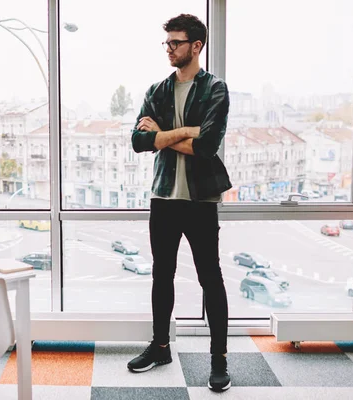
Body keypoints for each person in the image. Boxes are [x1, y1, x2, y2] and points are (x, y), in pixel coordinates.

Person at [127, 13, 232, 392]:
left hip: (201, 199)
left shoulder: (215, 89)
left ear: (196, 46)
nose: (169, 49)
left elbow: (206, 148)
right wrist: (186, 130)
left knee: (211, 278)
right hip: (164, 197)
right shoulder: (157, 90)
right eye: (167, 43)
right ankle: (160, 347)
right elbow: (139, 142)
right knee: (161, 275)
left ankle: (219, 360)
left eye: (176, 42)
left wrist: (163, 135)